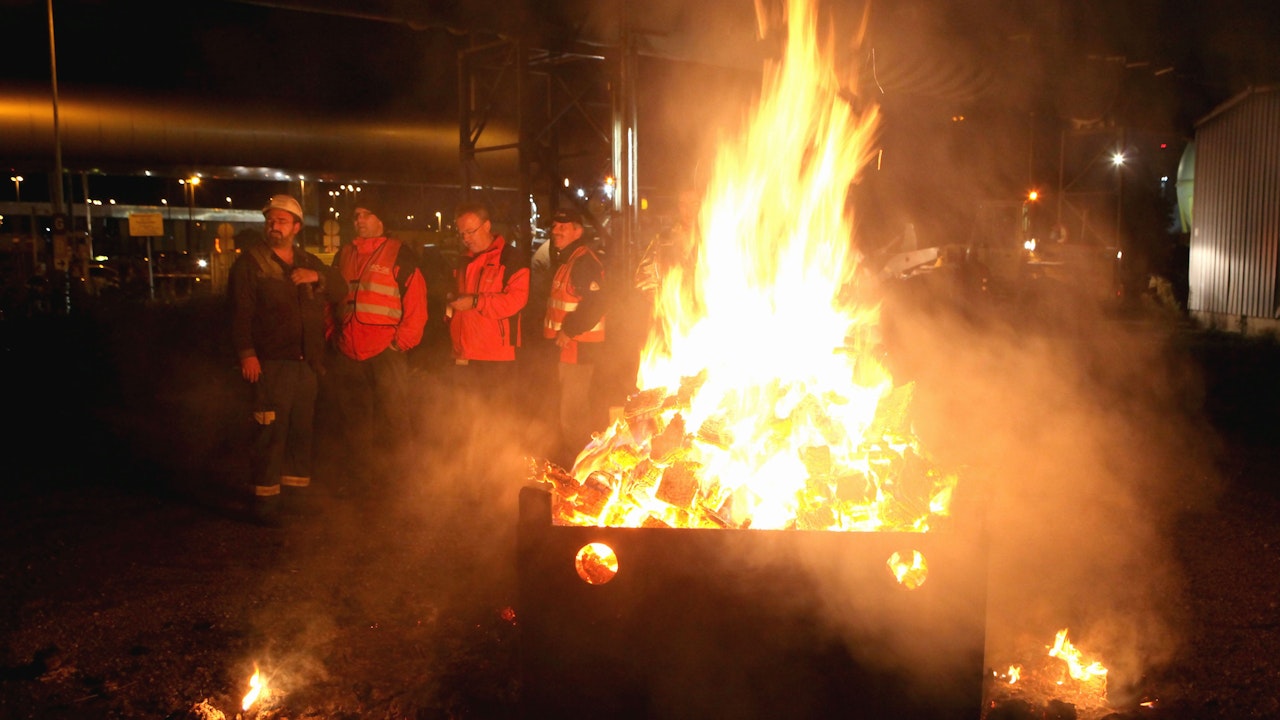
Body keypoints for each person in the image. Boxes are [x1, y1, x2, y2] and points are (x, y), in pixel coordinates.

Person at [228, 194, 344, 525]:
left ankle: (295, 495)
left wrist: (316, 278)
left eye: (281, 221)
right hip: (270, 363)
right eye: (270, 221)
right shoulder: (252, 264)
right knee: (269, 431)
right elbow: (240, 314)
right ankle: (265, 501)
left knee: (300, 430)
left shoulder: (307, 261)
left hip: (305, 363)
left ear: (296, 226)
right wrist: (247, 354)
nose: (274, 226)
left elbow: (340, 289)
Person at [325, 192, 429, 496]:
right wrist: (333, 334)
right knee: (355, 421)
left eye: (364, 215)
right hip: (349, 350)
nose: (358, 220)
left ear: (380, 220)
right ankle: (363, 482)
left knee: (395, 418)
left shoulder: (400, 253)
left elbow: (415, 302)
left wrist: (401, 343)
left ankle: (402, 481)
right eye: (356, 215)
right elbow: (331, 298)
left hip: (386, 351)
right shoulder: (344, 254)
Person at [543, 207, 607, 468]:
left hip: (579, 352)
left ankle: (582, 472)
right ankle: (576, 467)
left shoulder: (584, 262)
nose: (556, 231)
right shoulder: (569, 260)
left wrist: (569, 330)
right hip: (567, 351)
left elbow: (597, 303)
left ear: (578, 231)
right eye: (554, 226)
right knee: (567, 413)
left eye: (563, 227)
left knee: (573, 416)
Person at [447, 202, 530, 401]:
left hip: (496, 357)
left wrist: (476, 302)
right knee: (465, 416)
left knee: (497, 419)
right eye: (461, 233)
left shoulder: (511, 258)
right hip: (464, 353)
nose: (465, 238)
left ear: (487, 226)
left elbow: (516, 301)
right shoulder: (463, 259)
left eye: (470, 231)